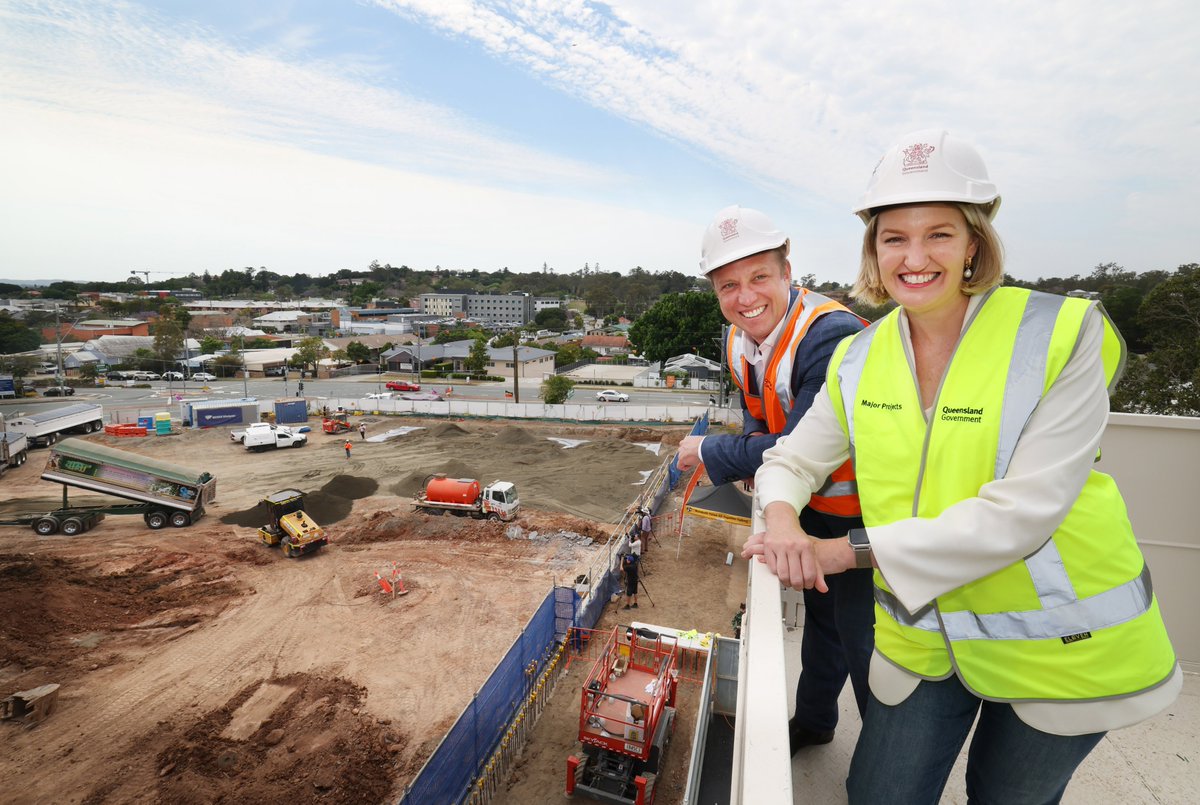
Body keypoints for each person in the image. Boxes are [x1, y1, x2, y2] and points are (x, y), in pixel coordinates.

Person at [745, 129, 1180, 804]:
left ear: (974, 241)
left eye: (939, 235)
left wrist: (837, 552)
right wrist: (781, 523)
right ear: (874, 249)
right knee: (880, 793)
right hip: (926, 634)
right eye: (895, 238)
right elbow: (791, 458)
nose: (915, 258)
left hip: (1064, 644)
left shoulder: (1061, 335)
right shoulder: (859, 357)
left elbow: (1021, 515)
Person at [677, 204, 874, 753]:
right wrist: (752, 464)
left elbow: (797, 443)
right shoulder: (740, 339)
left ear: (788, 272)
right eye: (728, 285)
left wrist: (712, 450)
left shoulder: (830, 337)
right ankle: (814, 721)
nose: (745, 297)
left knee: (865, 644)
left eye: (759, 277)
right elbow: (757, 414)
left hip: (864, 516)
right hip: (806, 507)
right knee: (824, 627)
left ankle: (884, 760)